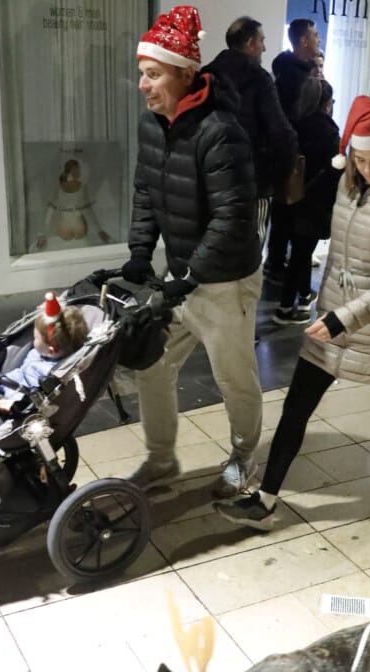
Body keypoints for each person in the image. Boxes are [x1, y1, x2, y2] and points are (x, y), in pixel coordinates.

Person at [214, 97, 370, 529]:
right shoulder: (347, 186)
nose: (368, 169)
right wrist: (326, 307)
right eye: (361, 159)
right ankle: (267, 499)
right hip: (331, 321)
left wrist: (343, 317)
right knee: (296, 408)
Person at [122, 5, 264, 498]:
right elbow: (145, 191)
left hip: (225, 279)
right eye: (142, 74)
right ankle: (161, 460)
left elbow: (233, 217)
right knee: (152, 364)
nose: (144, 84)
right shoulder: (151, 126)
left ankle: (245, 459)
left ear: (185, 75)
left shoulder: (220, 130)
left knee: (234, 378)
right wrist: (141, 252)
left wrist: (191, 274)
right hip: (182, 272)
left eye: (153, 74)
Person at [204, 15, 298, 242]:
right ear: (249, 43)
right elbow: (280, 133)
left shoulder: (206, 75)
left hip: (211, 179)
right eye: (261, 40)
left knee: (213, 246)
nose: (264, 47)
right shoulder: (260, 79)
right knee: (251, 250)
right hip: (253, 182)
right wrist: (276, 176)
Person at [274, 77, 341, 325]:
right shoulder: (328, 130)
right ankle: (284, 308)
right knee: (302, 253)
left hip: (289, 198)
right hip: (315, 202)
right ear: (326, 102)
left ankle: (303, 296)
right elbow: (335, 169)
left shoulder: (291, 125)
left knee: (298, 250)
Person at [264, 18, 323, 285]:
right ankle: (276, 263)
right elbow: (296, 115)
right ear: (303, 41)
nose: (318, 40)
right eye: (315, 35)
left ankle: (278, 261)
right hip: (292, 153)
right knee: (285, 209)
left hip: (297, 152)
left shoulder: (301, 71)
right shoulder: (292, 76)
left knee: (287, 210)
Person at [0, 293, 89, 414]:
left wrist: (12, 404)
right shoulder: (38, 352)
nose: (33, 340)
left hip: (21, 401)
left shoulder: (51, 373)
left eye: (35, 338)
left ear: (51, 350)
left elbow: (37, 398)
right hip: (10, 384)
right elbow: (20, 374)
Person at [35, 159, 110, 251]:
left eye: (79, 168)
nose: (79, 171)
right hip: (64, 230)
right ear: (70, 170)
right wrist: (42, 234)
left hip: (79, 230)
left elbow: (88, 210)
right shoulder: (58, 188)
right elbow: (50, 210)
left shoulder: (82, 187)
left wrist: (99, 231)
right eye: (77, 168)